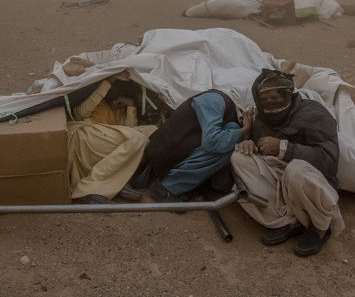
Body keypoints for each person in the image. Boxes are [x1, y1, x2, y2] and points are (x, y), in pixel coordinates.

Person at [231, 69, 344, 257]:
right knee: (238, 158)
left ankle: (320, 228)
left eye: (276, 96)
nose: (271, 102)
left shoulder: (313, 113)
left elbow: (330, 161)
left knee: (295, 169)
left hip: (311, 180)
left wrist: (284, 148)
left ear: (288, 94)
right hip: (280, 178)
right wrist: (249, 143)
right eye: (265, 99)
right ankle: (287, 221)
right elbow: (260, 150)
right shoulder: (262, 119)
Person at [135, 89, 252, 202]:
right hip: (162, 157)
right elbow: (212, 141)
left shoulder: (225, 107)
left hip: (172, 154)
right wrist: (244, 130)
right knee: (230, 142)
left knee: (232, 134)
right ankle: (167, 187)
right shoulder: (213, 100)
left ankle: (188, 186)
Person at [67, 71, 157, 203]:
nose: (115, 90)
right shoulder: (95, 100)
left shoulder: (118, 109)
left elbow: (130, 133)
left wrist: (131, 106)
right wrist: (108, 82)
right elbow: (80, 113)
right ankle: (88, 188)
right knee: (137, 139)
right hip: (85, 137)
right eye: (114, 86)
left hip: (102, 145)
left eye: (119, 88)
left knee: (149, 132)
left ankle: (114, 182)